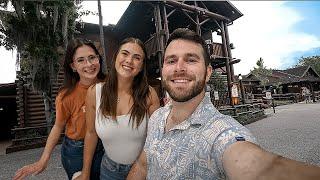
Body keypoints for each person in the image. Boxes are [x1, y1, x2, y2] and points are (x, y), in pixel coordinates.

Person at [127, 28, 320, 179]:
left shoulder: (222, 133)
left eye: (191, 59)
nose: (179, 68)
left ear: (208, 72)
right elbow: (143, 165)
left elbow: (256, 166)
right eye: (171, 60)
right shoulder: (157, 117)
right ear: (163, 70)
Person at [14, 38, 106, 180]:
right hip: (76, 150)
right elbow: (57, 127)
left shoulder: (110, 86)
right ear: (73, 66)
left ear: (98, 59)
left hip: (105, 145)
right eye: (80, 60)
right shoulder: (66, 96)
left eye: (92, 57)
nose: (88, 64)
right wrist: (43, 160)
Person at [75, 37, 160, 180]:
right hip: (109, 170)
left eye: (137, 57)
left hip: (143, 170)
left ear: (141, 67)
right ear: (115, 57)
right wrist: (85, 172)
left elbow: (156, 140)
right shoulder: (94, 93)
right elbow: (91, 133)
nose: (129, 60)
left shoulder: (149, 94)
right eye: (125, 54)